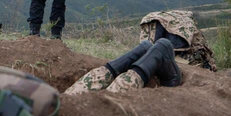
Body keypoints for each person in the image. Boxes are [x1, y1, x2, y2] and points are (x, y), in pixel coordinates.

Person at [64, 9, 217, 94]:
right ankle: (140, 67)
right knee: (162, 45)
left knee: (146, 47)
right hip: (102, 106)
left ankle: (123, 67)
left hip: (68, 105)